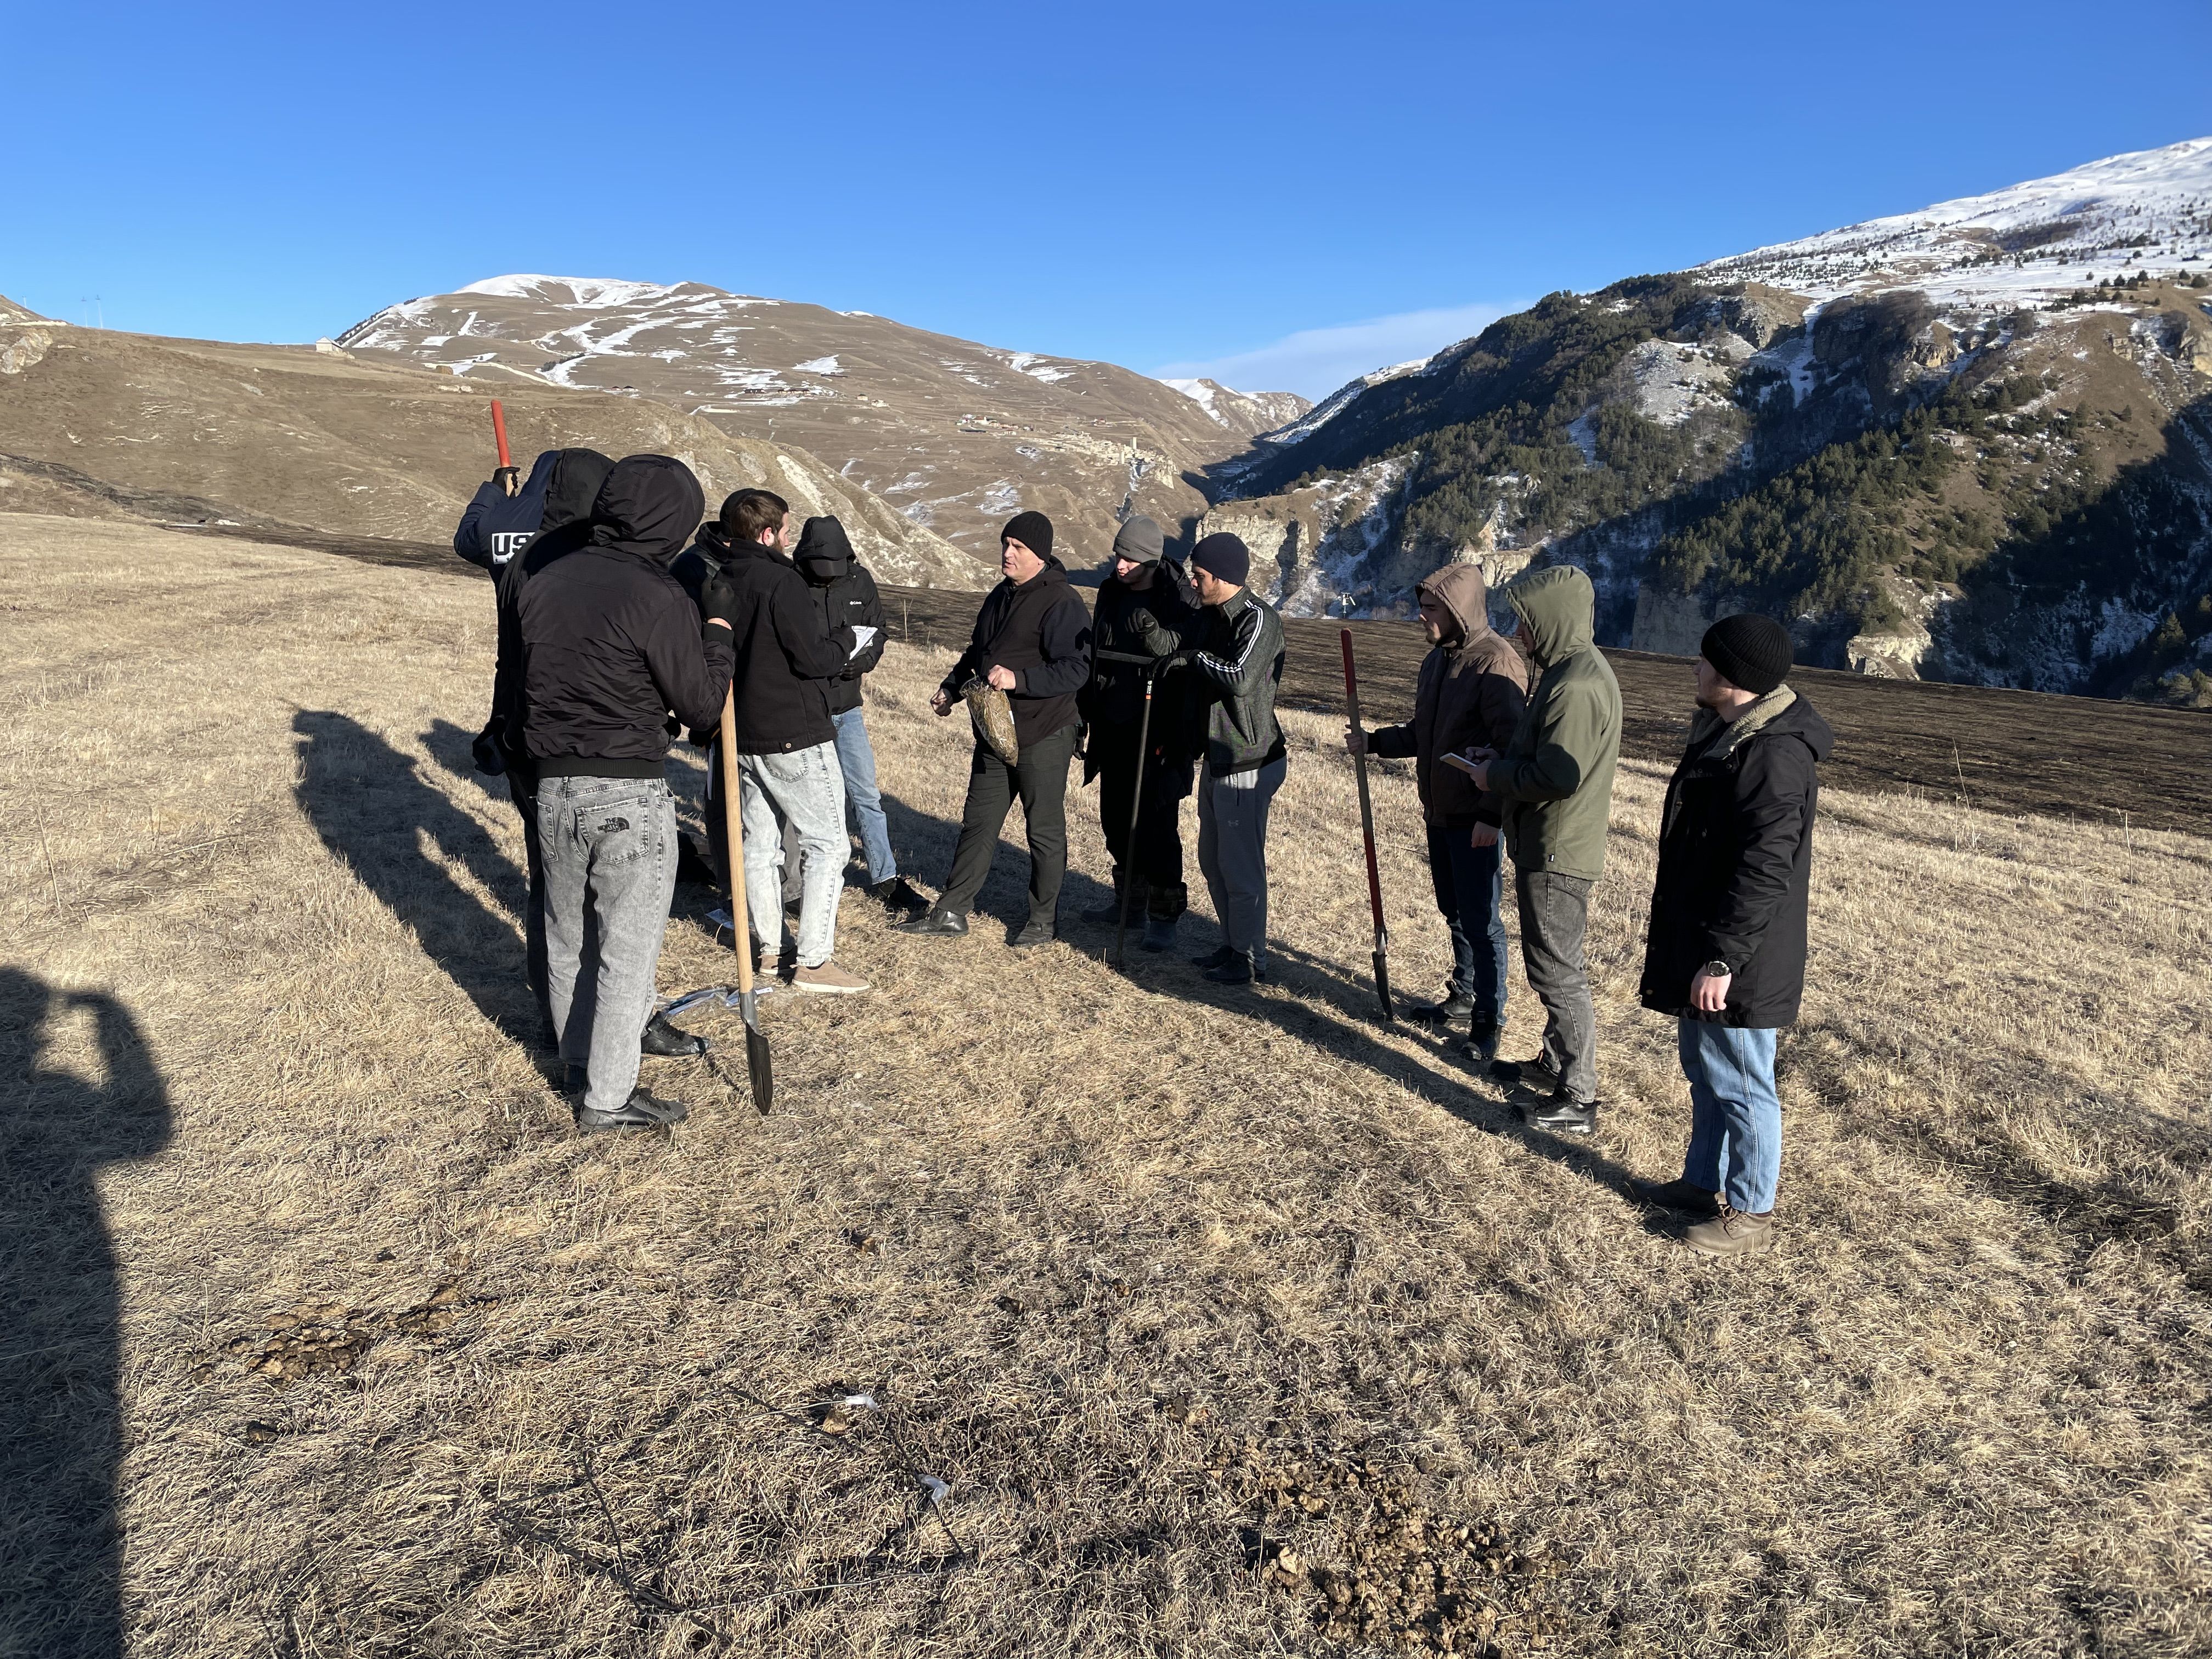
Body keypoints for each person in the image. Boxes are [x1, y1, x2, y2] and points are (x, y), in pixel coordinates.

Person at [517, 454, 735, 1131]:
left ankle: (579, 1061)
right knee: (626, 950)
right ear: (674, 519)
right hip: (627, 790)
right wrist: (719, 633)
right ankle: (608, 1098)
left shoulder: (544, 579)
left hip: (552, 783)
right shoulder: (658, 595)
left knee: (566, 935)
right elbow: (701, 706)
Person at [1634, 614, 1832, 1257]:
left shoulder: (1773, 754)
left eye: (1705, 661)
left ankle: (1750, 1212)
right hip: (1710, 940)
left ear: (1734, 677)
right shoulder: (1730, 735)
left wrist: (1723, 958)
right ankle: (1702, 1183)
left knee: (1745, 1084)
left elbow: (1765, 868)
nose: (1694, 668)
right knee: (1709, 1072)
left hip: (1743, 958)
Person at [683, 490, 871, 995]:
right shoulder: (780, 581)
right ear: (768, 534)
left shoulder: (720, 579)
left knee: (760, 846)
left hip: (741, 734)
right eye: (785, 530)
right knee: (828, 844)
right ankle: (813, 961)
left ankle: (771, 950)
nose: (789, 540)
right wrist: (847, 640)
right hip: (793, 732)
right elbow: (812, 659)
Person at [1460, 564, 1621, 1134]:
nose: (1519, 633)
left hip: (1557, 848)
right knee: (1555, 964)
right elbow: (1547, 757)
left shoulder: (1575, 686)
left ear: (1553, 621)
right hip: (1551, 841)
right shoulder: (1570, 672)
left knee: (1556, 972)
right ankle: (1554, 1064)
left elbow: (1558, 776)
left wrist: (1494, 777)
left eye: (1527, 622)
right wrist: (1501, 762)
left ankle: (1579, 1095)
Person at [1347, 562, 1528, 1054]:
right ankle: (1465, 995)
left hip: (1475, 817)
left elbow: (1513, 749)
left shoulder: (1496, 664)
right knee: (1455, 911)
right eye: (1421, 607)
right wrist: (1375, 742)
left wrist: (1491, 814)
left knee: (1482, 920)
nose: (1421, 617)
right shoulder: (1437, 662)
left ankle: (1488, 1018)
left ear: (1457, 610)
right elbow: (1423, 733)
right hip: (1440, 811)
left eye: (1430, 609)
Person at [899, 511, 1092, 947]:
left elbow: (1076, 669)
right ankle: (951, 912)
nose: (1008, 553)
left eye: (1018, 547)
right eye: (1006, 543)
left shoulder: (1063, 602)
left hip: (1045, 732)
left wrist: (1018, 680)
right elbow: (977, 652)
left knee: (1042, 830)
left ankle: (1042, 921)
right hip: (995, 730)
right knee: (979, 821)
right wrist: (951, 689)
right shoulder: (1000, 595)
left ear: (1039, 555)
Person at [476, 448, 614, 1032]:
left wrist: (497, 496)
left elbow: (473, 535)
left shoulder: (516, 554)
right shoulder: (593, 561)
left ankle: (561, 1014)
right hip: (575, 739)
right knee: (591, 889)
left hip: (519, 728)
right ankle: (594, 1019)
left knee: (550, 879)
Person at [793, 514, 928, 918]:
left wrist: (864, 662)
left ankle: (885, 877)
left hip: (848, 708)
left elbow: (877, 629)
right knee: (805, 799)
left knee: (865, 794)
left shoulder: (860, 581)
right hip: (806, 709)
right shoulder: (790, 584)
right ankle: (795, 882)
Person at [1080, 514, 1200, 951]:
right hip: (1112, 725)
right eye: (1118, 556)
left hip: (1158, 730)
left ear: (1151, 560)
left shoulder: (1180, 599)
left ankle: (1164, 916)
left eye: (1129, 559)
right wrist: (1085, 714)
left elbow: (1189, 667)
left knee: (1157, 825)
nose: (1120, 565)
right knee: (1115, 820)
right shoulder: (1110, 592)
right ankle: (1129, 904)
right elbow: (1096, 656)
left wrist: (1178, 736)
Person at [1184, 533, 1287, 985]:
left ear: (1222, 576)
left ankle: (1249, 959)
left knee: (1241, 867)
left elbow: (1241, 677)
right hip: (1219, 755)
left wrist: (1193, 658)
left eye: (1200, 574)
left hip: (1248, 759)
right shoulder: (1213, 616)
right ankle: (1232, 945)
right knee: (1213, 861)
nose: (1194, 581)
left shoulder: (1259, 619)